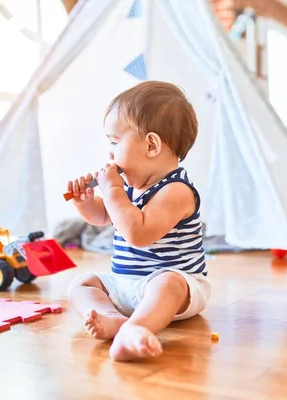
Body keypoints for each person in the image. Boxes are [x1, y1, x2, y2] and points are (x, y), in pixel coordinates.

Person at [66, 81, 210, 361]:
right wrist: (84, 202)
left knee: (169, 283)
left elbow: (138, 233)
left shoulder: (176, 192)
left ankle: (137, 329)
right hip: (125, 283)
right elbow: (105, 216)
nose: (109, 153)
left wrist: (112, 190)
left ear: (151, 145)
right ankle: (112, 318)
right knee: (81, 284)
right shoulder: (129, 188)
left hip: (175, 286)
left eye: (115, 142)